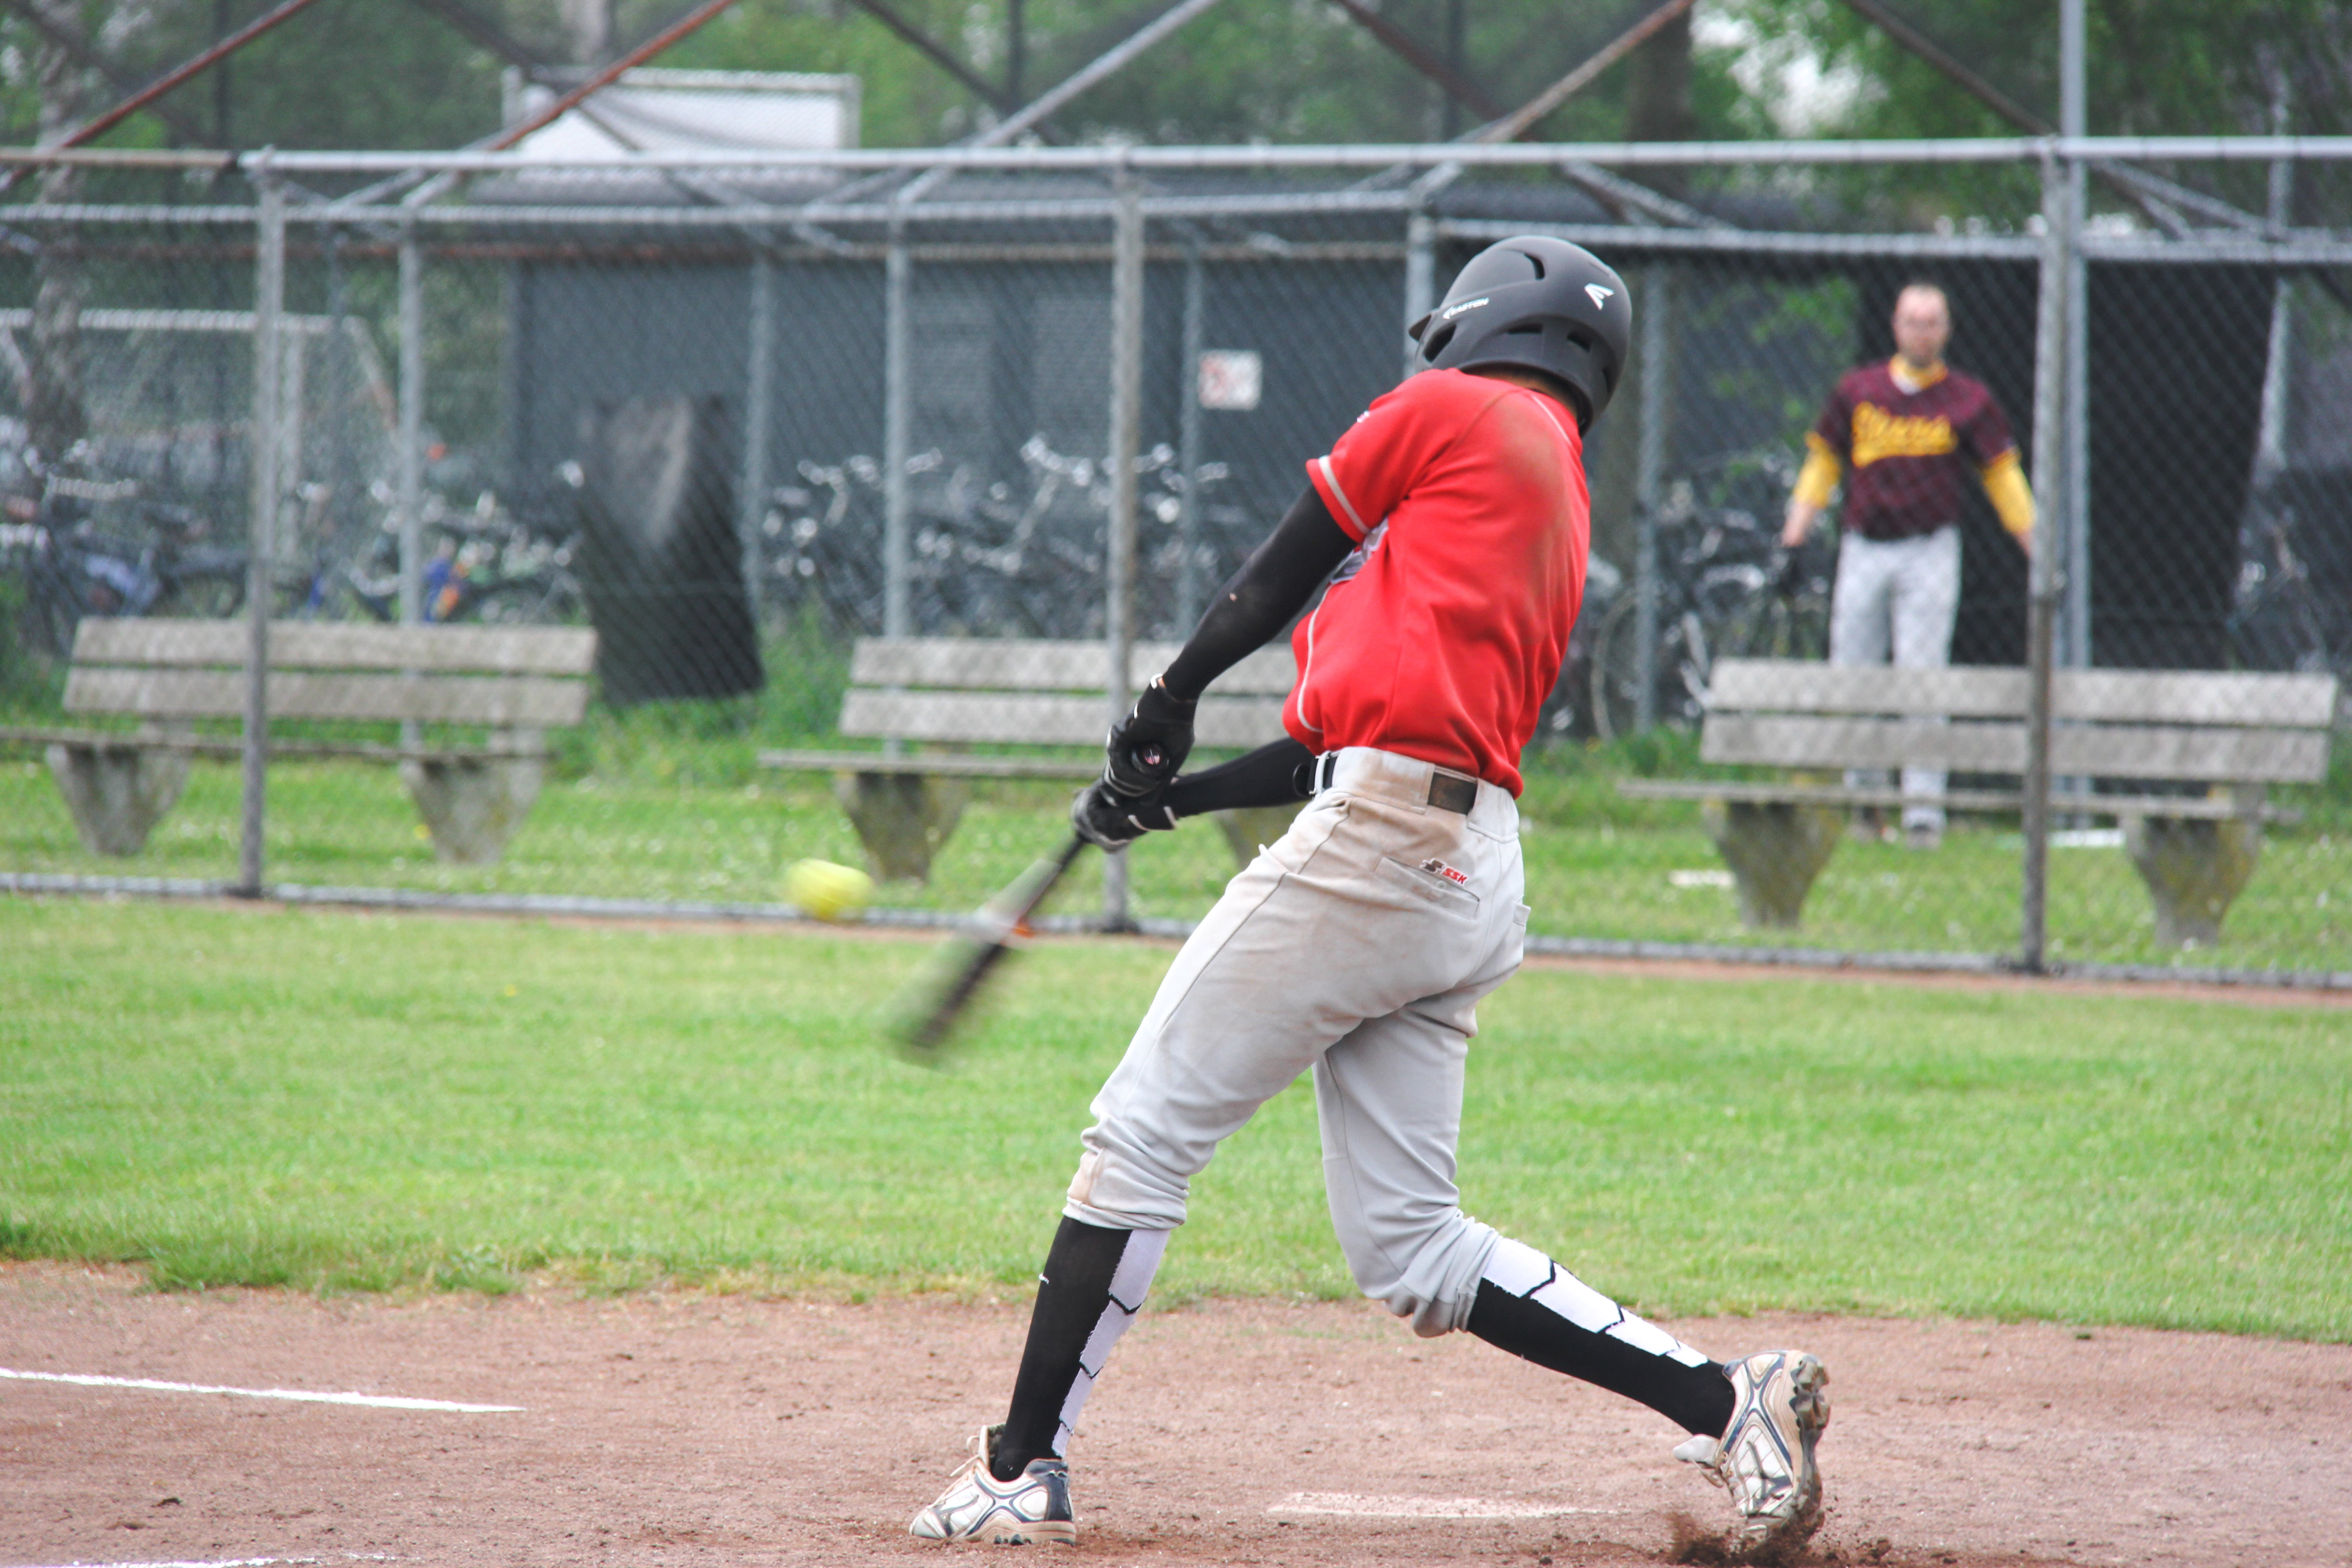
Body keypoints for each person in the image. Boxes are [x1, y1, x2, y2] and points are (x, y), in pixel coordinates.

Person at [908, 237, 1830, 1557]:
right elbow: (1343, 741)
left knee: (1140, 1136)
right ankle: (1727, 1400)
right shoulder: (1542, 496)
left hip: (1387, 848)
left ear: (1484, 324)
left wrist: (1167, 696)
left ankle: (1018, 1467)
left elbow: (1277, 567)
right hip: (1460, 868)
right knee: (1410, 1246)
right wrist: (1172, 795)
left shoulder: (1456, 409)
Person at [1781, 280, 2035, 850]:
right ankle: (1864, 806)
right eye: (1912, 321)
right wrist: (1795, 535)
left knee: (1923, 679)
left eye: (1932, 322)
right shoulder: (1859, 391)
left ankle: (1923, 813)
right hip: (1865, 546)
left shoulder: (1966, 399)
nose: (1922, 331)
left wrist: (2034, 549)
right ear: (1896, 328)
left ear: (1946, 330)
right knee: (1855, 675)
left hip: (1929, 549)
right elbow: (1823, 464)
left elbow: (2003, 477)